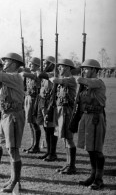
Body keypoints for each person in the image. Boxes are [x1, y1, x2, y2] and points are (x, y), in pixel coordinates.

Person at [0, 52, 25, 193]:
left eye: (6, 61)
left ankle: (16, 183)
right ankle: (12, 179)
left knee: (13, 149)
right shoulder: (8, 77)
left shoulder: (15, 77)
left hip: (14, 115)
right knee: (10, 149)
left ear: (14, 64)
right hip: (5, 114)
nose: (4, 63)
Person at [76, 59, 106, 190]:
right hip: (86, 116)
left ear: (94, 70)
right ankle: (93, 175)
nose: (84, 71)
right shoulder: (87, 84)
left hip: (96, 118)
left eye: (87, 69)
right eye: (83, 69)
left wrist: (81, 79)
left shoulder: (98, 82)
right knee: (89, 148)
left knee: (97, 150)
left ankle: (99, 179)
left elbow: (82, 80)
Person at [49, 59, 77, 175]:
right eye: (58, 67)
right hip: (61, 109)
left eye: (61, 67)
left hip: (67, 110)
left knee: (69, 138)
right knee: (65, 138)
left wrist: (52, 77)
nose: (59, 69)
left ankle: (72, 165)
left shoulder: (70, 80)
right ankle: (68, 163)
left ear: (68, 68)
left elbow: (55, 80)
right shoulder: (63, 80)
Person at [36, 56, 58, 162]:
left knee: (50, 128)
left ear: (51, 65)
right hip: (43, 102)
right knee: (46, 128)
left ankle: (53, 153)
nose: (43, 66)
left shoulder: (53, 74)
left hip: (50, 103)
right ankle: (49, 151)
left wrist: (41, 70)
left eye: (46, 64)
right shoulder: (46, 75)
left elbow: (40, 74)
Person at [21, 57, 42, 154]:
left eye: (31, 64)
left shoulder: (38, 74)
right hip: (28, 98)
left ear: (37, 66)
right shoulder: (29, 75)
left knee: (34, 123)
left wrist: (23, 72)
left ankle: (36, 146)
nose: (29, 66)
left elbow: (35, 77)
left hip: (35, 99)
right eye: (29, 64)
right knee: (30, 123)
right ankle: (33, 144)